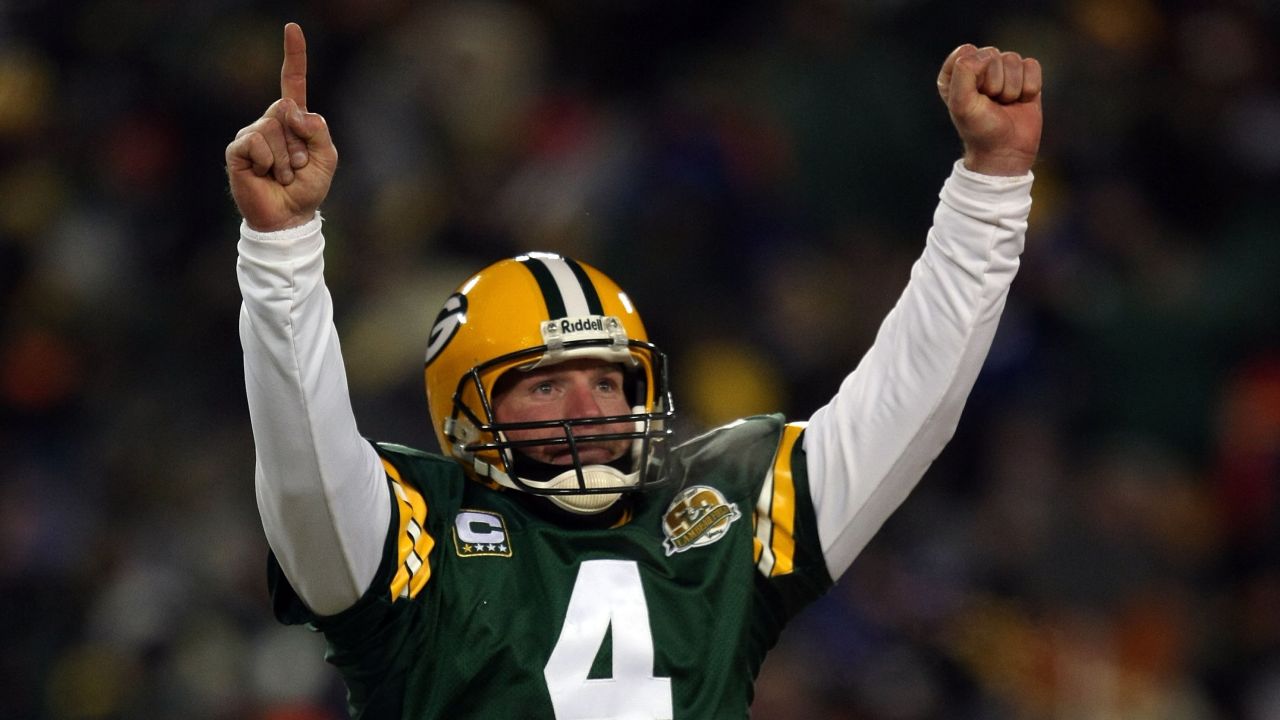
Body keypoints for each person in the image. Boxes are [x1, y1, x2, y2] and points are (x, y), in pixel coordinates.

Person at [230, 21, 1041, 720]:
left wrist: (993, 184)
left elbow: (913, 401)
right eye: (547, 382)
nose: (592, 406)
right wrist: (283, 250)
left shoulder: (717, 511)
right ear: (468, 415)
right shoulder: (416, 530)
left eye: (611, 379)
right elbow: (306, 467)